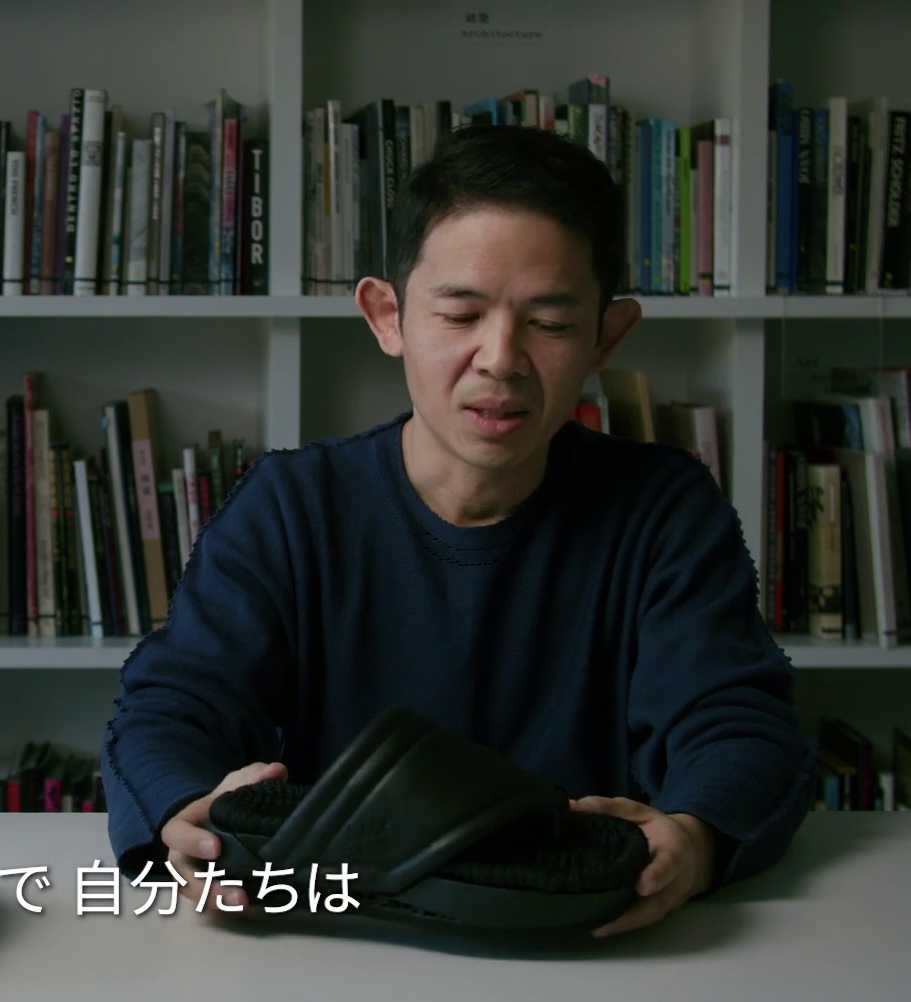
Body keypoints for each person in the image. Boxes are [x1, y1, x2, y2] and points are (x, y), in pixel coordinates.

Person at [98, 122, 816, 939]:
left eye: (550, 324)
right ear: (388, 316)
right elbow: (170, 705)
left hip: (583, 938)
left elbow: (740, 721)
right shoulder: (291, 506)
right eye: (460, 313)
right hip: (341, 935)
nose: (500, 359)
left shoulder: (664, 510)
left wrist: (697, 835)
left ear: (606, 337)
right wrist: (180, 805)